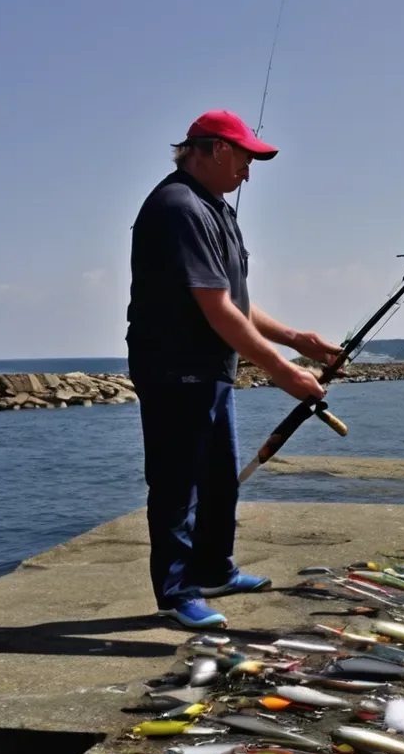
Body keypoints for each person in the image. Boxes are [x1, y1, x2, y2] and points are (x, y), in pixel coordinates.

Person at [126, 109, 341, 629]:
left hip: (212, 368)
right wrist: (281, 370)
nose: (249, 171)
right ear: (217, 149)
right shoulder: (179, 206)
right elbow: (215, 307)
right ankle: (177, 592)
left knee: (220, 476)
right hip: (174, 368)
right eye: (246, 158)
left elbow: (235, 300)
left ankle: (214, 569)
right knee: (177, 484)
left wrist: (295, 338)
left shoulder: (216, 208)